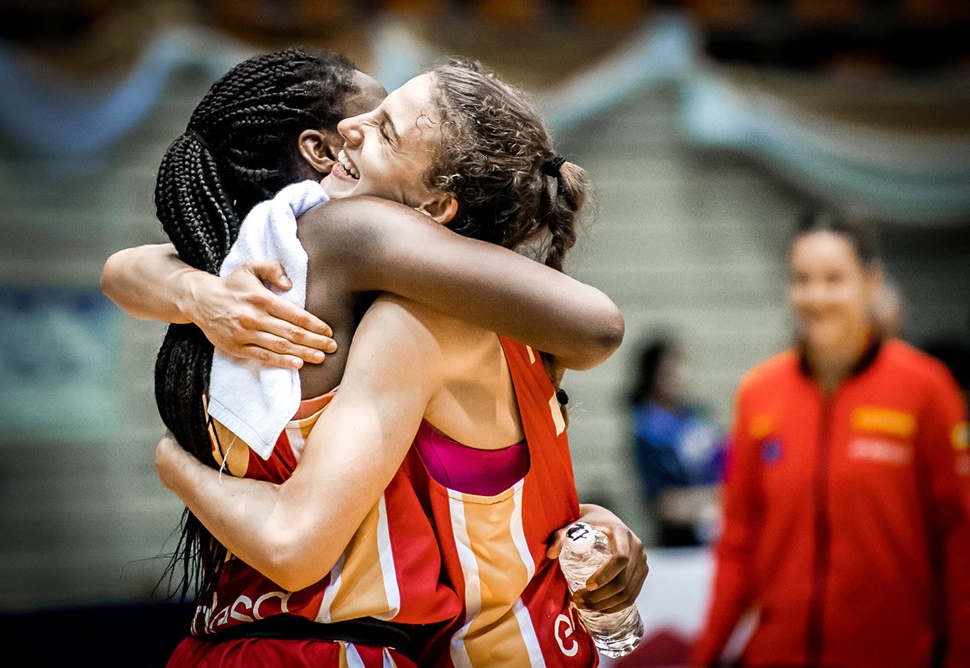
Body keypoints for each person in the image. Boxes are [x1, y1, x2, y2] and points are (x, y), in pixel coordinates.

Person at [105, 51, 645, 666]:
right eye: (372, 113)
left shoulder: (385, 286)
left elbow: (295, 541)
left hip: (286, 638)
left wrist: (173, 461)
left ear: (433, 211)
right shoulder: (476, 315)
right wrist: (197, 292)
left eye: (386, 127)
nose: (352, 135)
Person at [691, 210, 970, 667]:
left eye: (833, 279)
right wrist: (706, 656)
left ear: (872, 282)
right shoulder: (759, 394)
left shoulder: (926, 389)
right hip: (777, 655)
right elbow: (738, 542)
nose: (815, 296)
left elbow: (960, 543)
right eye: (801, 279)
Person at [625, 334, 726, 547]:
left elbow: (721, 464)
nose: (677, 376)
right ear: (652, 375)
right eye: (667, 371)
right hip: (676, 539)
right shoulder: (645, 428)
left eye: (679, 367)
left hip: (714, 532)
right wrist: (704, 504)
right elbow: (659, 502)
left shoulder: (698, 415)